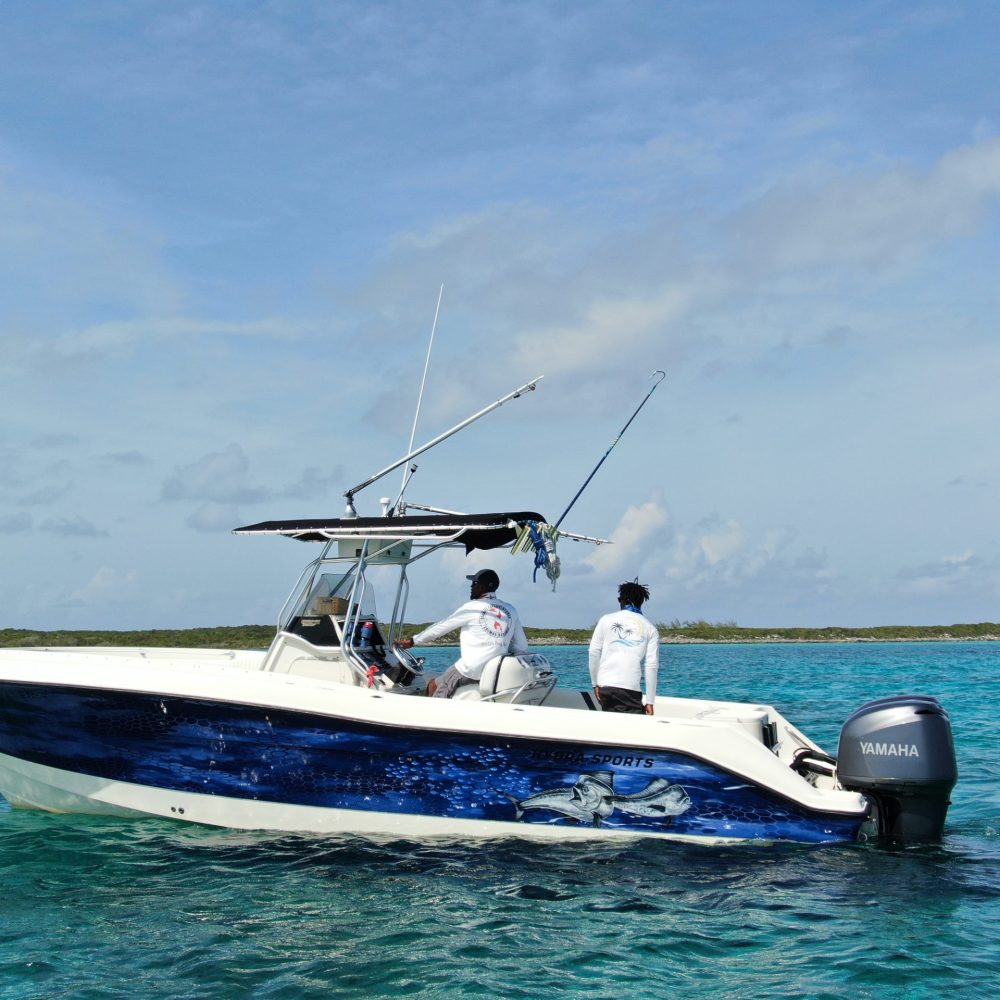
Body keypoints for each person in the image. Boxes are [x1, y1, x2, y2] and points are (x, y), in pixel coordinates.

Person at [396, 569, 529, 698]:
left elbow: (441, 627)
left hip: (469, 670)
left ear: (482, 587)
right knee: (433, 684)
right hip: (495, 673)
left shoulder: (472, 608)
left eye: (474, 583)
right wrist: (498, 646)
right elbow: (521, 646)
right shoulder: (511, 610)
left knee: (435, 691)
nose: (471, 586)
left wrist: (413, 641)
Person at [588, 579, 659, 715]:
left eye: (619, 598)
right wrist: (650, 701)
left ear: (623, 600)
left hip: (605, 687)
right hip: (630, 689)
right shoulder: (650, 628)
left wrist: (595, 683)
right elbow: (651, 666)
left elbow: (593, 653)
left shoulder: (605, 620)